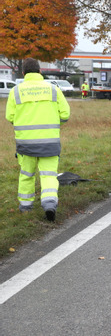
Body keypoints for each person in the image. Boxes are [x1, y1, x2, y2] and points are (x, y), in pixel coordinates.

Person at [5, 58, 70, 221]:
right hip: (49, 143)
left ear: (23, 73)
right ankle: (49, 204)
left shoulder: (16, 91)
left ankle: (25, 207)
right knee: (49, 175)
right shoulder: (53, 89)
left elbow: (9, 116)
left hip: (25, 144)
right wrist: (54, 123)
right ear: (40, 71)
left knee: (27, 174)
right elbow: (65, 114)